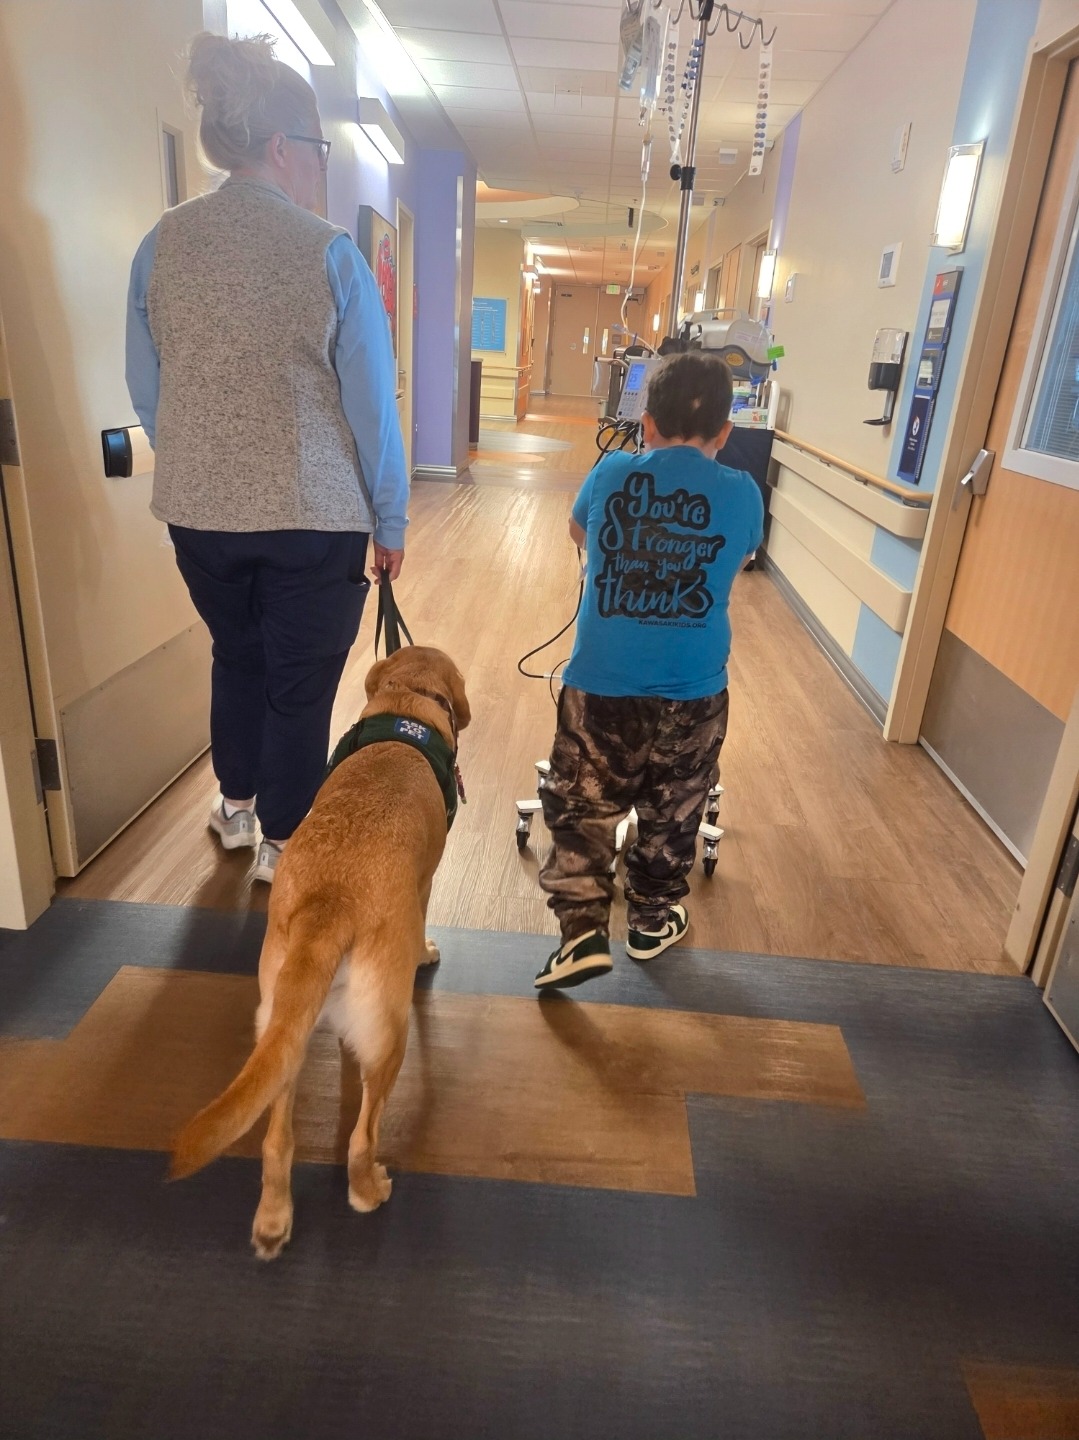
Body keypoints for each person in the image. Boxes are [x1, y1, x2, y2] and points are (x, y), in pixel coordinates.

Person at [125, 32, 408, 884]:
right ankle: (283, 843)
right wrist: (390, 517)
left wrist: (198, 459)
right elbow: (371, 409)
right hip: (313, 517)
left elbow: (148, 386)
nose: (320, 166)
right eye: (318, 149)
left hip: (199, 516)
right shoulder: (329, 252)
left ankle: (237, 805)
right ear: (283, 146)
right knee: (300, 679)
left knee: (236, 652)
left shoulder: (161, 245)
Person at [534, 351, 764, 991]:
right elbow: (742, 559)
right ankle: (650, 921)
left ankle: (581, 932)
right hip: (694, 690)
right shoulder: (743, 491)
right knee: (674, 809)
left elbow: (579, 533)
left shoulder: (611, 471)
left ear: (647, 424)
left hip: (600, 685)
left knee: (582, 804)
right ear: (725, 432)